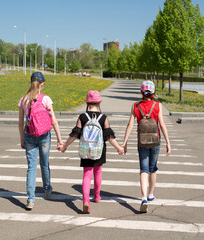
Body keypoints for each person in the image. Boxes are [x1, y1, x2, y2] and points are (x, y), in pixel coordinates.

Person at [59, 90, 124, 214]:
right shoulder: (103, 117)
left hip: (86, 149)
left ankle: (85, 201)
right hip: (99, 150)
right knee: (98, 172)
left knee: (87, 175)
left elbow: (75, 134)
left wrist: (64, 146)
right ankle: (97, 196)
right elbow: (110, 137)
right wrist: (119, 148)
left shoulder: (82, 117)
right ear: (99, 102)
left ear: (87, 103)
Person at [122, 81, 171, 213]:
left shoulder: (135, 106)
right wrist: (168, 142)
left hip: (142, 141)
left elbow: (130, 125)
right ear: (153, 92)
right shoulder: (157, 105)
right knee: (152, 168)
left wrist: (124, 143)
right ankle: (150, 194)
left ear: (141, 92)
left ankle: (143, 197)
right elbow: (162, 125)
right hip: (156, 141)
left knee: (143, 169)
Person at [18, 72, 63, 210]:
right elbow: (53, 121)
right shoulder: (46, 99)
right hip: (44, 136)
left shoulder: (24, 100)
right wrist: (60, 140)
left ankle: (30, 199)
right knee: (44, 163)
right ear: (42, 84)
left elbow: (20, 123)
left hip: (29, 135)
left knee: (31, 167)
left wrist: (22, 140)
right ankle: (47, 189)